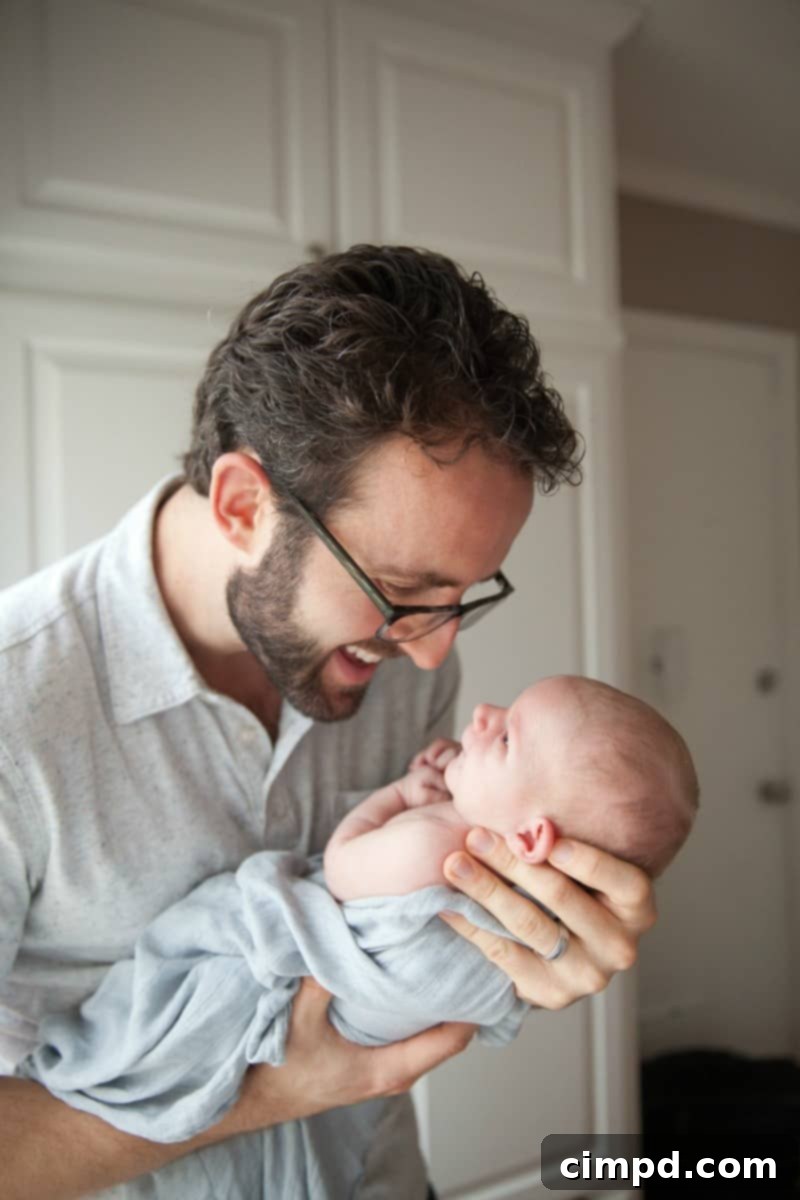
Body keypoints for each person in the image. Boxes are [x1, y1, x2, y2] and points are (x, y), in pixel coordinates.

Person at [0, 245, 657, 1200]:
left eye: (463, 598)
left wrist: (550, 933)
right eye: (399, 593)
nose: (434, 655)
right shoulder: (17, 711)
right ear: (241, 505)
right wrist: (276, 1092)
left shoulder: (410, 661)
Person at [18, 675, 696, 1183]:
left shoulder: (442, 854)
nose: (483, 716)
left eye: (508, 736)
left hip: (367, 1153)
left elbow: (342, 868)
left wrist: (400, 798)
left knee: (184, 976)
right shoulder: (501, 882)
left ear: (531, 835)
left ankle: (102, 1052)